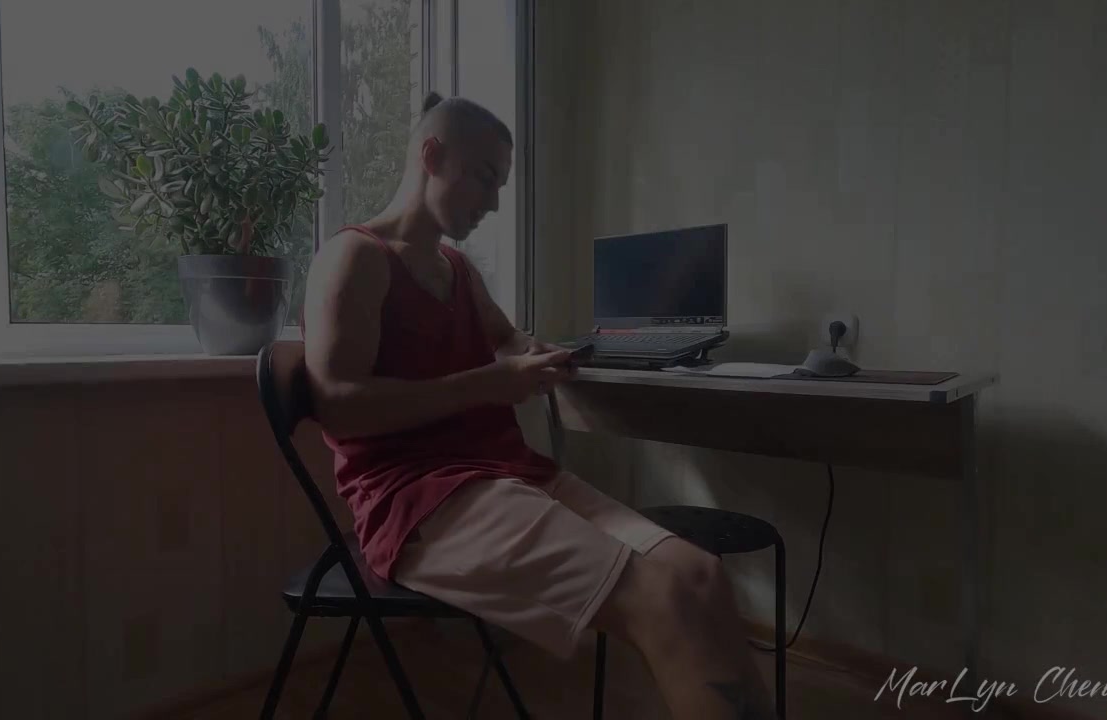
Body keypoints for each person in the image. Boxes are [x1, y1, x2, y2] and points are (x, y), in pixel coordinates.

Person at [301, 92, 776, 720]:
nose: (495, 202)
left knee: (698, 575)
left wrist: (537, 352)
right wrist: (490, 383)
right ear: (432, 156)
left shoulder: (457, 269)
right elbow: (339, 407)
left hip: (508, 473)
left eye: (501, 184)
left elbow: (506, 338)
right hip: (417, 500)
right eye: (485, 178)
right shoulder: (354, 257)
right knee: (659, 597)